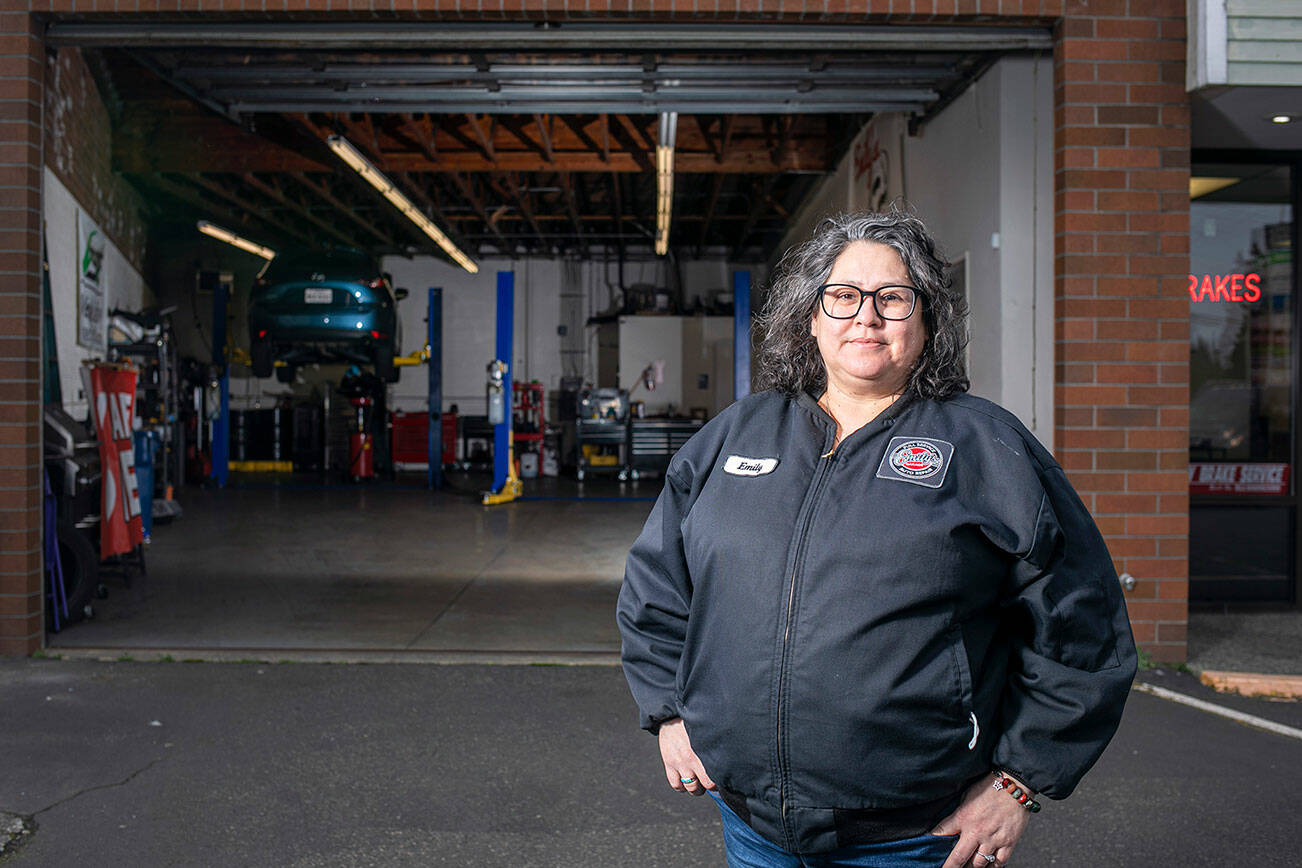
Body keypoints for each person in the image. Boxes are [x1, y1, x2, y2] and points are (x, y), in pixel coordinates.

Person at [617, 210, 1137, 868]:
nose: (865, 316)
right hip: (753, 825)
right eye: (843, 296)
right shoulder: (737, 436)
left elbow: (1081, 625)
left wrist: (1019, 783)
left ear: (927, 320)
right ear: (811, 317)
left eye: (893, 298)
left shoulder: (986, 448)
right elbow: (656, 587)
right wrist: (667, 712)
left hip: (917, 836)